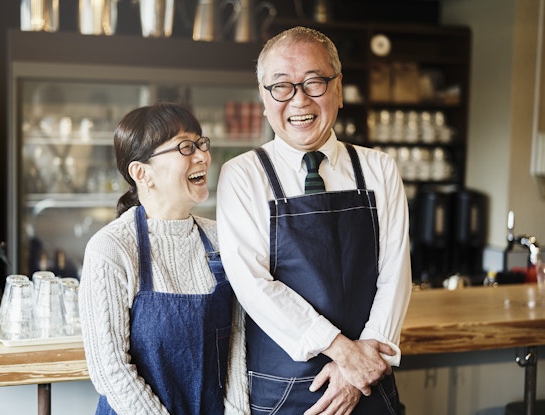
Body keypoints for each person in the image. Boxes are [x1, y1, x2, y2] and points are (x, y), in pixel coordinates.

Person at [216, 26, 412, 415]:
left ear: (338, 88)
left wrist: (360, 366)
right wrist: (342, 351)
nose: (298, 99)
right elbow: (254, 286)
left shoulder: (379, 169)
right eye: (282, 86)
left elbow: (396, 274)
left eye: (314, 82)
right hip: (285, 392)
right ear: (264, 96)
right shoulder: (242, 175)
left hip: (371, 383)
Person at [79, 102, 249, 415]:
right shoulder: (112, 249)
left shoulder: (221, 239)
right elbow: (111, 370)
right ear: (141, 173)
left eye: (200, 143)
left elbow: (237, 341)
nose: (202, 156)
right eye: (185, 147)